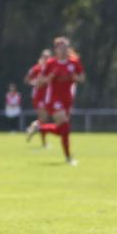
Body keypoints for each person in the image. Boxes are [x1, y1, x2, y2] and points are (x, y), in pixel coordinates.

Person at [27, 37, 85, 165]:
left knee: (62, 130)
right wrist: (49, 77)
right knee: (65, 126)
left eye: (65, 46)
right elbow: (39, 81)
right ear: (56, 49)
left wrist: (75, 77)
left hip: (67, 100)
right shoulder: (51, 63)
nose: (63, 49)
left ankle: (40, 128)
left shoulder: (74, 62)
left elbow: (82, 78)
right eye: (60, 47)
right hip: (53, 99)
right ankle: (69, 158)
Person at [24, 49, 52, 147]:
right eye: (45, 57)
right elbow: (27, 79)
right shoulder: (37, 68)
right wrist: (35, 83)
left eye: (48, 57)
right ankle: (43, 142)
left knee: (43, 120)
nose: (47, 59)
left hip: (47, 97)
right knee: (43, 120)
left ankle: (33, 127)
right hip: (39, 97)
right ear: (42, 57)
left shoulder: (50, 68)